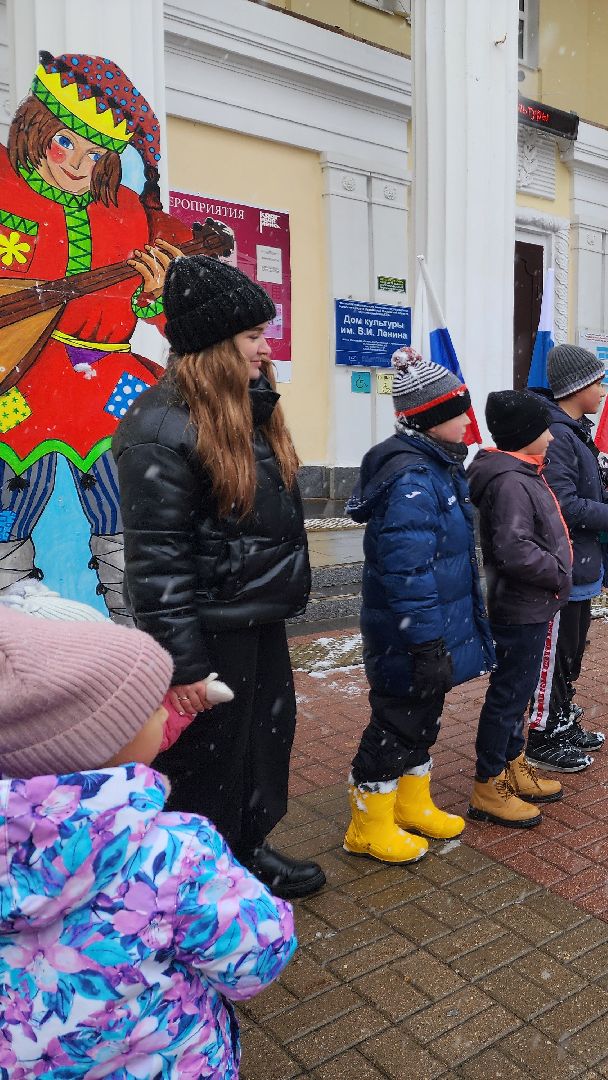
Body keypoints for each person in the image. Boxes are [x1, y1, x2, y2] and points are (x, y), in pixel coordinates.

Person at [0, 609, 295, 1077]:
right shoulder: (172, 855)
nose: (164, 708)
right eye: (145, 707)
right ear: (97, 745)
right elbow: (256, 959)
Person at [114, 255, 321, 900]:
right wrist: (187, 669)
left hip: (257, 616)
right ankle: (201, 886)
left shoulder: (247, 410)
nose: (266, 350)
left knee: (262, 746)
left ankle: (247, 848)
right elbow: (157, 563)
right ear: (214, 344)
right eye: (254, 338)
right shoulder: (160, 427)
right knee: (210, 767)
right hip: (210, 633)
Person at [0, 52, 184, 617]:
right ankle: (12, 608)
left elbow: (153, 317)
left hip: (108, 375)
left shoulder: (127, 210)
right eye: (66, 145)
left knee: (122, 491)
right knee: (14, 482)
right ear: (36, 127)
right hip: (26, 374)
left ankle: (130, 622)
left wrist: (155, 294)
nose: (80, 166)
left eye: (96, 153)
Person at [341, 348, 496, 863]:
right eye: (458, 411)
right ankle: (369, 822)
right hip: (407, 634)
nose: (467, 421)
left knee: (422, 716)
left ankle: (410, 802)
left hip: (428, 629)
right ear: (431, 420)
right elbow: (406, 570)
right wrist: (426, 641)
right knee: (396, 721)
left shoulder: (438, 468)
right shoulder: (412, 479)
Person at [466, 391, 572, 828]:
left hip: (530, 602)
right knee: (509, 694)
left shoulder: (524, 471)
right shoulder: (511, 480)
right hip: (520, 605)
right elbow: (514, 549)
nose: (550, 436)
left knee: (519, 691)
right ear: (524, 435)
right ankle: (488, 784)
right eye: (542, 429)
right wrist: (557, 571)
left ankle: (512, 763)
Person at [527, 344, 608, 772]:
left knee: (572, 650)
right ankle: (542, 734)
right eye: (598, 382)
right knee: (557, 652)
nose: (603, 391)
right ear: (578, 387)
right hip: (565, 562)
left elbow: (583, 490)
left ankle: (561, 718)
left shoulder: (573, 429)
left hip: (581, 562)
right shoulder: (559, 434)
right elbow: (562, 503)